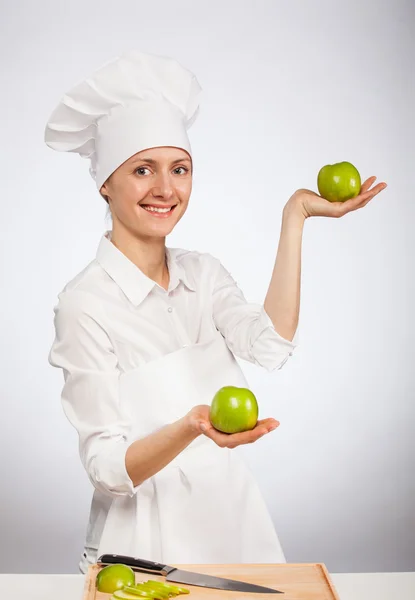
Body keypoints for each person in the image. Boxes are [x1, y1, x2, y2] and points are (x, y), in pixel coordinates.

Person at [44, 50, 387, 574]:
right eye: (142, 169)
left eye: (179, 169)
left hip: (232, 525)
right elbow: (107, 468)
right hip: (141, 546)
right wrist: (191, 426)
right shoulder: (85, 304)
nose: (166, 189)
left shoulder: (203, 275)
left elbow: (269, 344)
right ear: (104, 184)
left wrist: (295, 216)